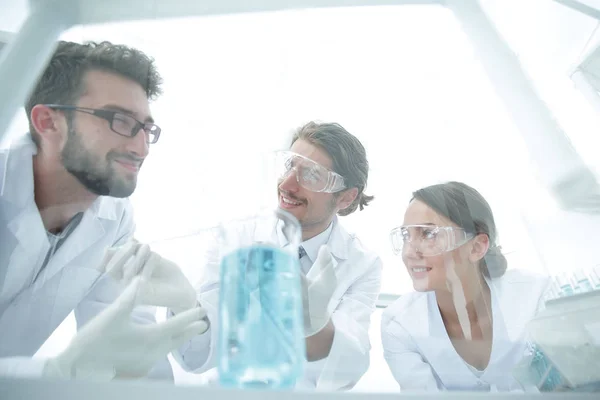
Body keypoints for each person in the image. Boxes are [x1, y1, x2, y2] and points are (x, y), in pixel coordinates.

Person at [0, 40, 206, 380]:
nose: (141, 148)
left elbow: (131, 350)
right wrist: (55, 373)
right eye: (120, 120)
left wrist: (187, 307)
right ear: (48, 122)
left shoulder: (114, 218)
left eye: (146, 129)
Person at [172, 121, 383, 390]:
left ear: (345, 198)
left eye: (312, 175)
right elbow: (198, 353)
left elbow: (348, 365)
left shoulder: (362, 265)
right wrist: (183, 305)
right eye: (289, 166)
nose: (287, 184)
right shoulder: (237, 239)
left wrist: (315, 324)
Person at [381, 181, 549, 392]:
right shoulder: (400, 325)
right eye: (406, 236)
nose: (409, 252)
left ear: (477, 247)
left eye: (428, 234)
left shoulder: (535, 296)